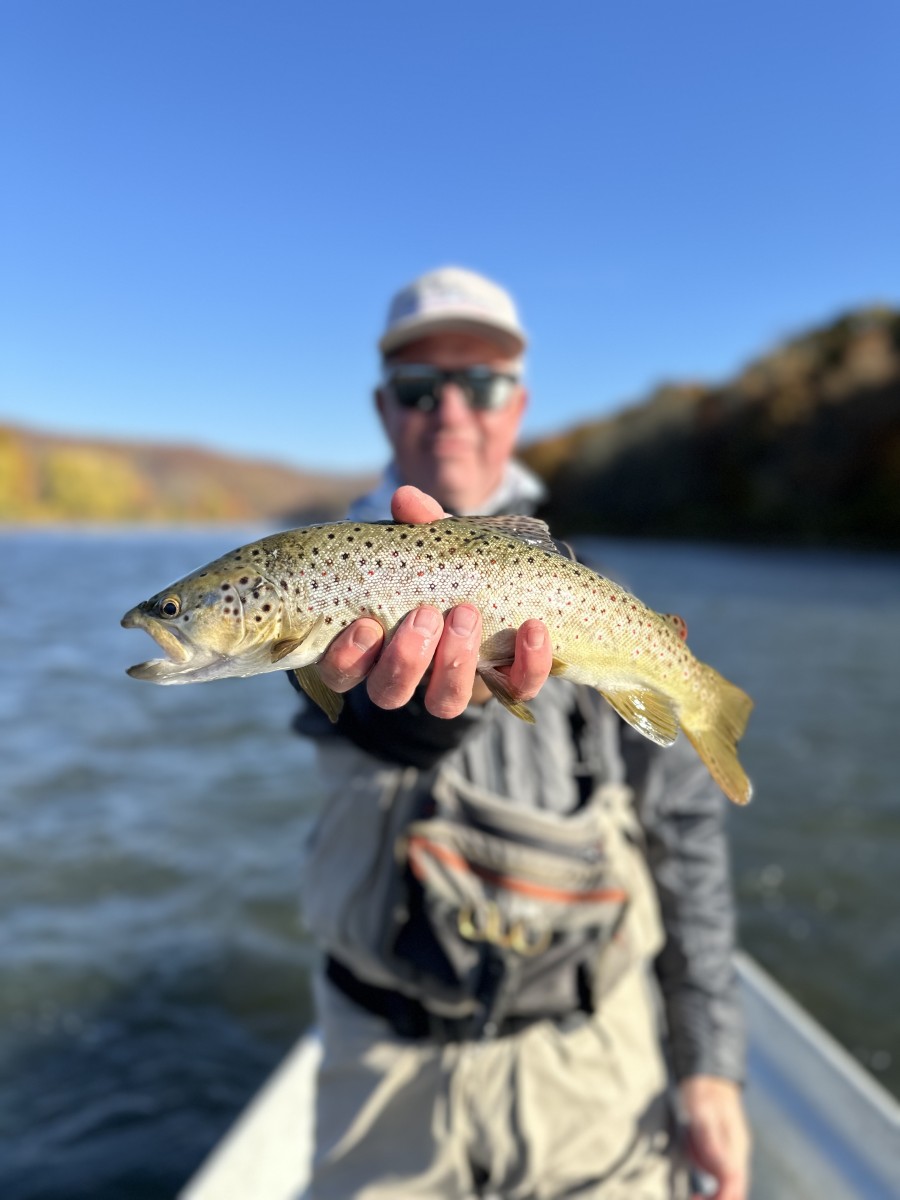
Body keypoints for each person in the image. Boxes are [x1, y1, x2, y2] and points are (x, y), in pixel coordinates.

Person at [291, 266, 751, 1199]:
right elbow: (352, 734)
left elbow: (685, 836)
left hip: (596, 1072)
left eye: (482, 384)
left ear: (519, 404)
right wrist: (417, 716)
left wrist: (708, 1059)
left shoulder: (595, 592)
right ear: (387, 410)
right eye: (421, 388)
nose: (451, 411)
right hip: (386, 1074)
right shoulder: (327, 579)